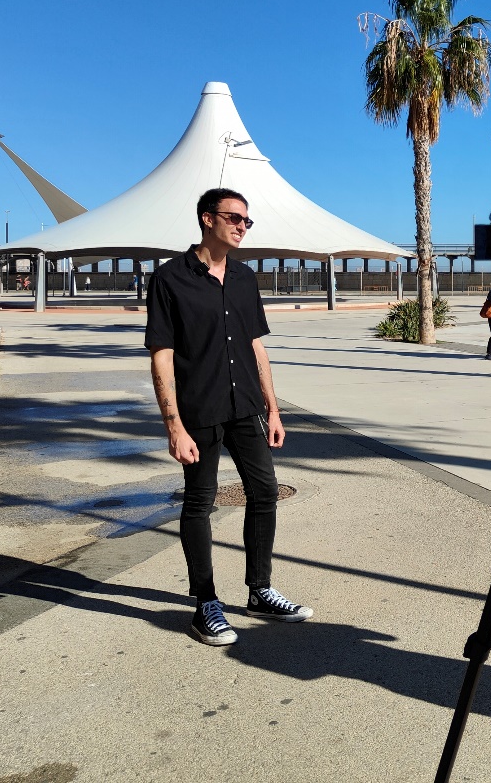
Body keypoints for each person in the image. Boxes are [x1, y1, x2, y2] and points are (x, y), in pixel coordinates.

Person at [145, 188, 312, 647]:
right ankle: (205, 603)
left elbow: (256, 345)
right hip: (199, 410)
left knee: (264, 491)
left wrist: (274, 409)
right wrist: (173, 425)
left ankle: (260, 591)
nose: (242, 226)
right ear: (207, 219)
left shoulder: (243, 277)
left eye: (246, 220)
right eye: (234, 218)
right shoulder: (170, 278)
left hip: (246, 408)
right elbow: (161, 354)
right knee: (200, 501)